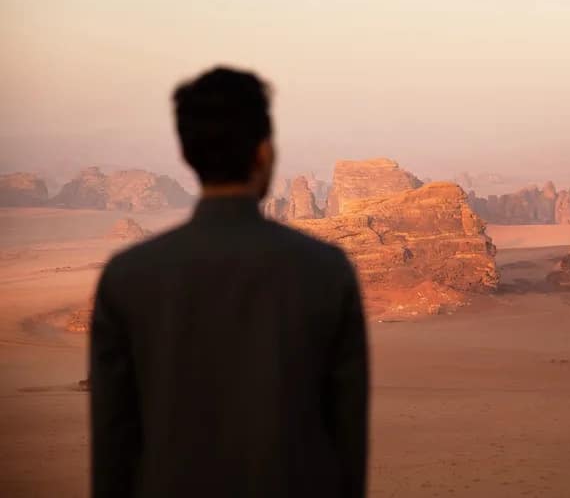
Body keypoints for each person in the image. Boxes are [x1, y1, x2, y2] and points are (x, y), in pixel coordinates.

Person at [89, 66, 369, 497]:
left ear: (187, 154)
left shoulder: (128, 277)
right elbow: (347, 438)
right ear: (264, 153)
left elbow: (113, 445)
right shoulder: (325, 270)